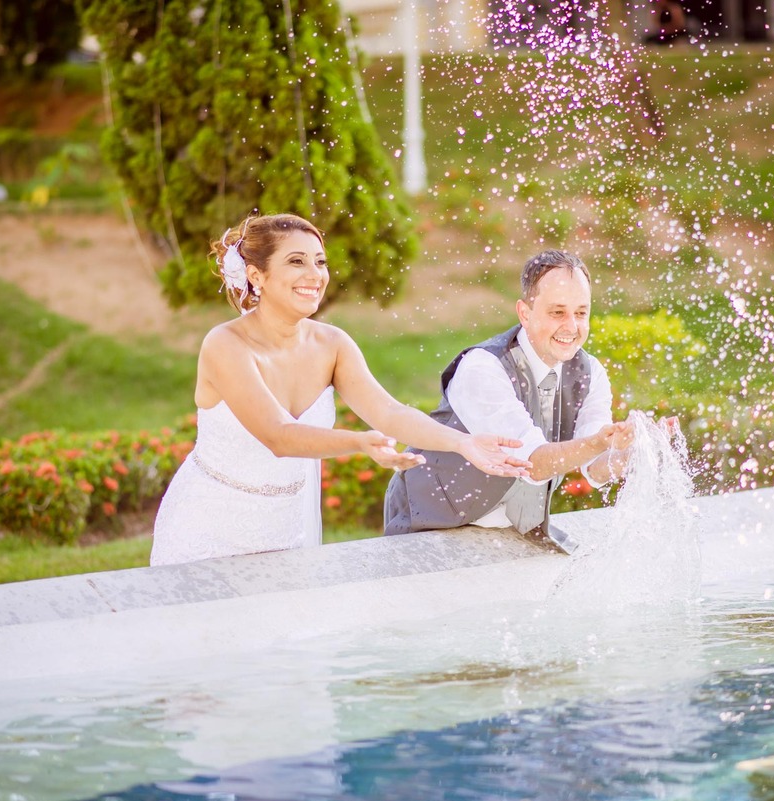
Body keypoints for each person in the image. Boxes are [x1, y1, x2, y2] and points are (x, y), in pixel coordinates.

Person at [150, 213, 531, 566]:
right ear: (257, 275)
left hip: (285, 532)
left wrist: (462, 443)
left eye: (320, 262)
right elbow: (279, 437)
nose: (315, 274)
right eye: (296, 261)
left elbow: (389, 413)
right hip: (207, 528)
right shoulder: (225, 345)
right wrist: (358, 442)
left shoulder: (332, 344)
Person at [383, 249, 643, 552]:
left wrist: (632, 452)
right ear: (525, 313)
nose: (572, 326)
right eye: (557, 312)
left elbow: (595, 470)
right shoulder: (483, 367)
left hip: (514, 534)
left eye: (581, 312)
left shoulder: (591, 373)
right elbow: (530, 463)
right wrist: (600, 442)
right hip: (428, 524)